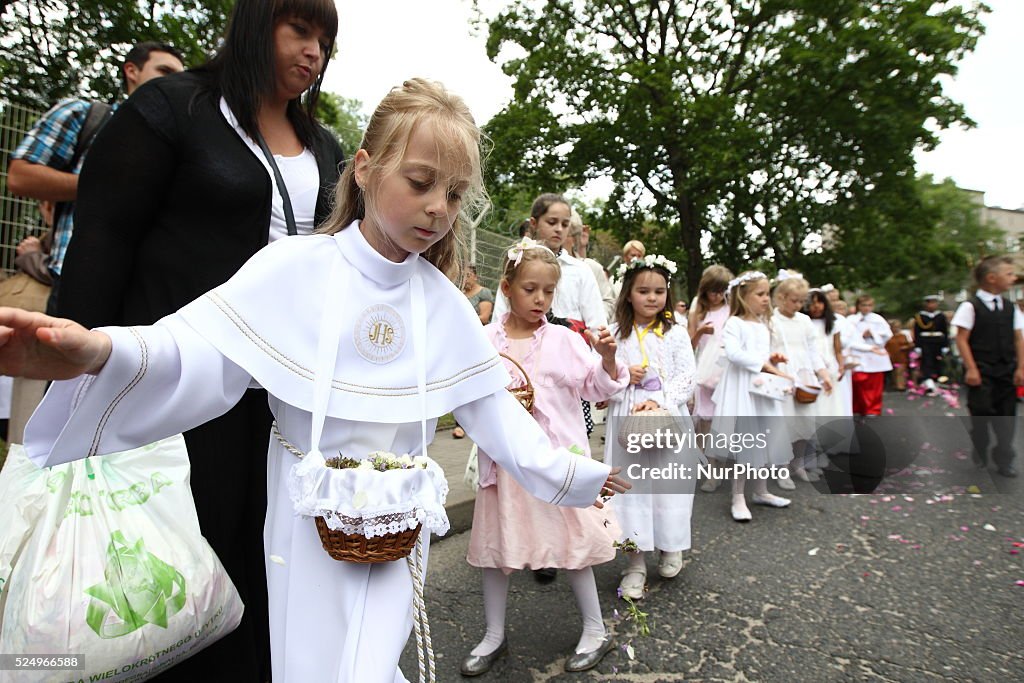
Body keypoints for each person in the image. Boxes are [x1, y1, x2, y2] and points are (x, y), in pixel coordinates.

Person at [0, 78, 630, 683]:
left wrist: (575, 475)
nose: (439, 206)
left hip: (393, 528)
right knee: (307, 661)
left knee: (369, 662)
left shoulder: (443, 304)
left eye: (456, 194)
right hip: (304, 524)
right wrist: (97, 351)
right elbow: (192, 350)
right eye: (420, 182)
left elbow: (493, 410)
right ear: (364, 168)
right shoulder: (293, 269)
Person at [54, 1, 345, 678]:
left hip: (283, 400)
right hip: (175, 386)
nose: (314, 52)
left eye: (326, 41)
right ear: (256, 24)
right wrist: (81, 378)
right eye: (299, 29)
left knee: (267, 556)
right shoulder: (173, 108)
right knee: (182, 559)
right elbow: (104, 238)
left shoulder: (323, 144)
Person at [463, 238, 627, 675]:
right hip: (505, 466)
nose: (540, 299)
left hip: (557, 465)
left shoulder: (563, 340)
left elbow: (597, 387)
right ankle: (493, 635)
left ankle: (596, 629)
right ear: (506, 287)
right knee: (496, 552)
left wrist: (608, 359)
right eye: (530, 289)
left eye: (548, 291)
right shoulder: (483, 341)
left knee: (573, 548)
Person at [7, 41, 185, 316]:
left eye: (180, 75)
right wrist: (111, 184)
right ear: (131, 70)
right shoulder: (84, 114)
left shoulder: (184, 139)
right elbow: (21, 176)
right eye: (164, 71)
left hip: (154, 294)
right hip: (81, 282)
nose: (175, 81)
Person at [603, 254, 696, 599]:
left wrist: (662, 401)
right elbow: (602, 377)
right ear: (629, 293)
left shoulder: (676, 333)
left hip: (666, 416)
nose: (652, 298)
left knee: (669, 484)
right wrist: (624, 374)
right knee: (632, 488)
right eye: (644, 291)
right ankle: (634, 562)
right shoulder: (614, 333)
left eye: (659, 291)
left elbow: (687, 375)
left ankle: (671, 545)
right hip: (627, 416)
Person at [711, 271, 793, 522]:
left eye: (767, 293)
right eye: (760, 294)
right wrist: (766, 365)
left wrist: (773, 360)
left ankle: (761, 491)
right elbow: (735, 354)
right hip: (742, 389)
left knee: (764, 437)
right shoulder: (734, 323)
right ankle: (738, 496)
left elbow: (763, 354)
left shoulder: (764, 324)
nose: (766, 299)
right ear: (744, 297)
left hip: (762, 390)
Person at [951, 255, 1024, 478]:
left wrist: (1021, 368)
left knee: (1007, 416)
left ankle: (1004, 458)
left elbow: (1018, 338)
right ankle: (980, 446)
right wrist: (971, 368)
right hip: (981, 369)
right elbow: (961, 338)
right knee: (981, 413)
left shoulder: (1011, 307)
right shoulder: (970, 306)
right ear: (992, 278)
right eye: (1009, 274)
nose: (1013, 278)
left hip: (1006, 369)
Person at [770, 272, 831, 489]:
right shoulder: (771, 320)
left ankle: (799, 463)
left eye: (800, 301)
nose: (798, 305)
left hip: (804, 375)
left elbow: (813, 351)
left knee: (805, 422)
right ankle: (781, 467)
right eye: (793, 300)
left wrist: (823, 374)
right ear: (781, 297)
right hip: (782, 374)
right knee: (784, 424)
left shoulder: (804, 321)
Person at [688, 264, 733, 492]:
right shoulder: (698, 309)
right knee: (705, 423)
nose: (716, 295)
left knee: (724, 421)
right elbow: (688, 346)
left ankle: (722, 466)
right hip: (705, 370)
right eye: (712, 290)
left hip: (727, 369)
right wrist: (699, 333)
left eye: (721, 290)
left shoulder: (732, 308)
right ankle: (710, 471)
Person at [452, 265, 493, 438]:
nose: (465, 278)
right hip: (458, 342)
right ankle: (460, 423)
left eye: (468, 275)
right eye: (463, 275)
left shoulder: (484, 293)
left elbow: (484, 317)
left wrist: (462, 319)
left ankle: (481, 421)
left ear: (475, 277)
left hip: (478, 342)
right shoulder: (457, 293)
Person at [846, 295, 892, 416]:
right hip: (859, 354)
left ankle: (873, 409)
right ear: (858, 306)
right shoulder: (851, 320)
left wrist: (873, 334)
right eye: (863, 305)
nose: (866, 308)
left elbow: (887, 335)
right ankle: (858, 407)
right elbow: (848, 337)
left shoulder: (878, 319)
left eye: (869, 305)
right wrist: (862, 336)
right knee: (859, 382)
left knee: (875, 385)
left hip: (875, 356)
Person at [567, 212, 615, 318]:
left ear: (575, 238)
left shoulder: (592, 267)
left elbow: (607, 301)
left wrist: (592, 323)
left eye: (566, 229)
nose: (558, 231)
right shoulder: (541, 266)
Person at [912, 294, 949, 394]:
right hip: (925, 341)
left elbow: (945, 331)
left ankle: (937, 381)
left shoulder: (940, 316)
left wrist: (945, 345)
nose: (932, 305)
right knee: (927, 362)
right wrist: (918, 346)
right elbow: (917, 332)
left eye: (934, 303)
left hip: (938, 341)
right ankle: (928, 382)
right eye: (930, 303)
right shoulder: (920, 316)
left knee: (938, 362)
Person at [886, 319, 913, 391]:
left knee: (900, 371)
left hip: (902, 356)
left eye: (898, 327)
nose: (896, 328)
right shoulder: (888, 336)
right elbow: (885, 346)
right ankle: (895, 384)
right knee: (894, 371)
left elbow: (910, 344)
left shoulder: (904, 335)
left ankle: (901, 385)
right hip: (892, 356)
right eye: (894, 327)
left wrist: (906, 347)